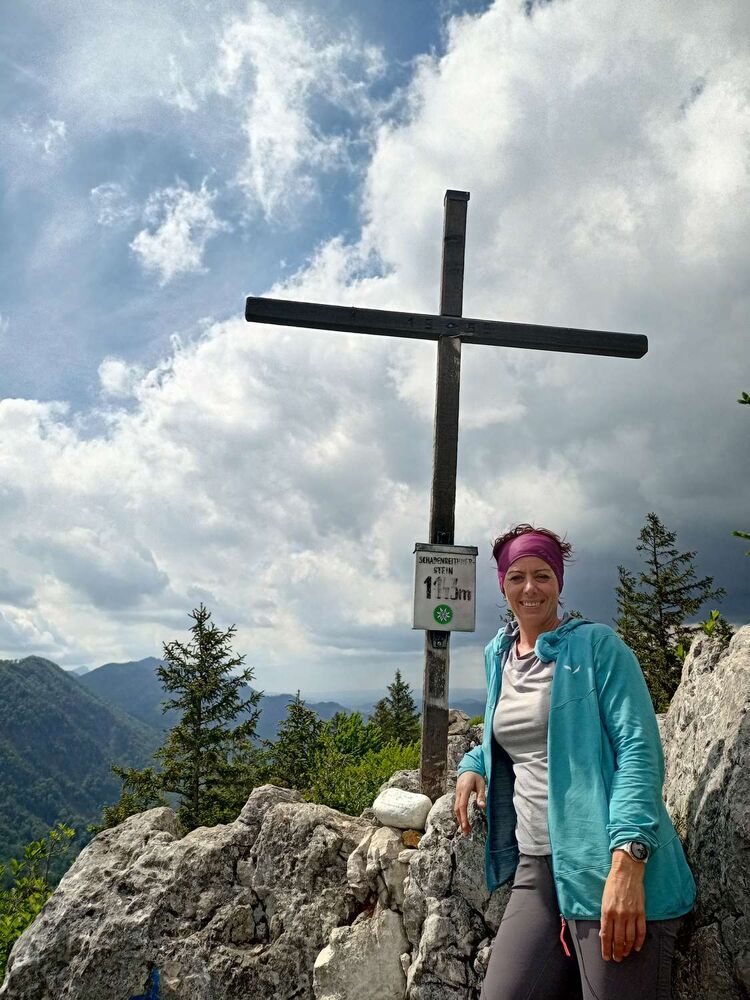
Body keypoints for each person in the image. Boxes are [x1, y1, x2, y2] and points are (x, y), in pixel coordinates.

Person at [454, 524, 695, 1000]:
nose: (530, 588)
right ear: (502, 585)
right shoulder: (499, 654)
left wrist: (628, 864)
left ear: (559, 581)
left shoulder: (598, 648)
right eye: (517, 576)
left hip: (605, 862)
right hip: (537, 867)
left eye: (542, 575)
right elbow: (524, 734)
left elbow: (638, 751)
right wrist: (474, 762)